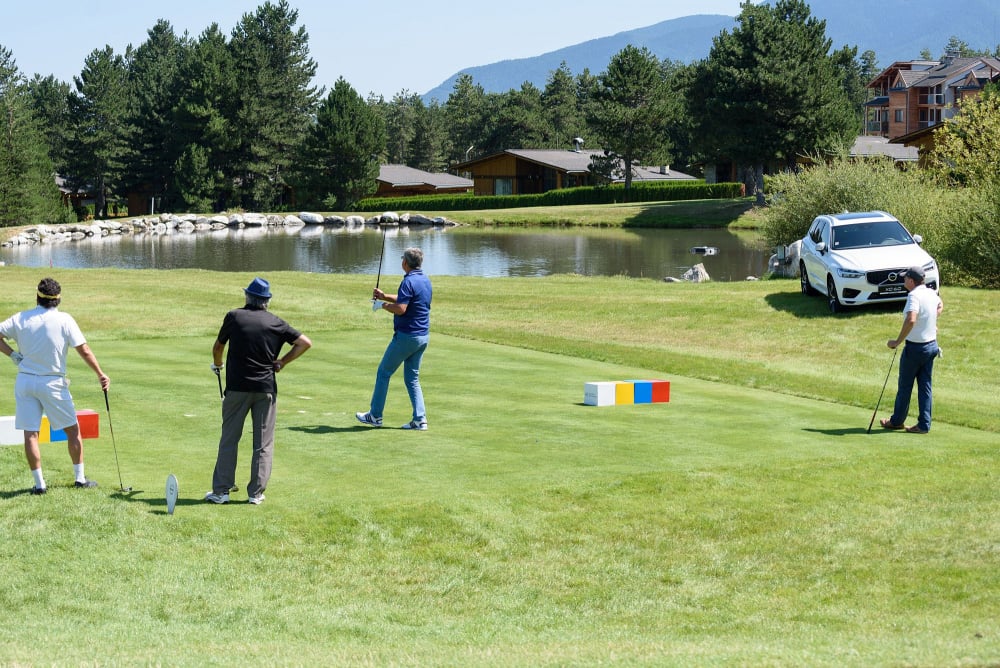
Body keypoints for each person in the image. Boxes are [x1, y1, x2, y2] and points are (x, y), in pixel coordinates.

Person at [206, 277, 312, 505]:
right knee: (263, 443)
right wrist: (282, 362)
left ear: (248, 297)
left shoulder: (234, 316)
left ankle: (222, 491)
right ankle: (255, 494)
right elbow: (305, 342)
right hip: (265, 389)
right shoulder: (276, 322)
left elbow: (218, 347)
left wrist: (218, 364)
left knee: (229, 439)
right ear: (267, 301)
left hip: (237, 388)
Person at [0, 277, 110, 494]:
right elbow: (84, 350)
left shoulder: (22, 318)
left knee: (30, 433)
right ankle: (79, 479)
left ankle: (39, 485)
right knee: (72, 429)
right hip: (52, 382)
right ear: (58, 300)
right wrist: (100, 373)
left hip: (25, 381)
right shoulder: (65, 320)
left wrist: (12, 354)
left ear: (37, 297)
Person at [357, 247, 432, 430]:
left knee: (384, 372)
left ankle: (375, 416)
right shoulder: (425, 280)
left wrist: (382, 305)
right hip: (423, 337)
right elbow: (405, 299)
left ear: (405, 263)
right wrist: (384, 296)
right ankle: (420, 419)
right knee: (412, 379)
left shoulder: (408, 281)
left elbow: (401, 308)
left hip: (407, 336)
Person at [881, 266, 943, 434]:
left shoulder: (913, 295)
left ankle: (896, 421)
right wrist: (930, 322)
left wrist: (897, 341)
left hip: (915, 348)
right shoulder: (931, 292)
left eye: (905, 278)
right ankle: (924, 425)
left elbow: (911, 319)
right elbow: (939, 306)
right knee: (925, 386)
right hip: (931, 346)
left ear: (911, 280)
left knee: (905, 385)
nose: (903, 280)